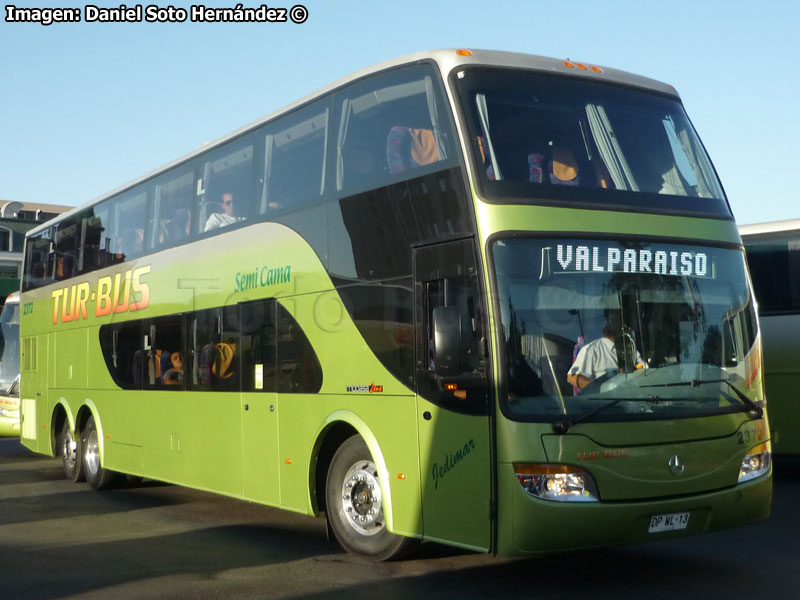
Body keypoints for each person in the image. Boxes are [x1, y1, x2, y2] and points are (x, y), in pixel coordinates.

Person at [567, 312, 642, 392]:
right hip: (605, 401)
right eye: (611, 320)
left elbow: (644, 369)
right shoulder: (592, 350)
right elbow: (572, 378)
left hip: (633, 396)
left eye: (620, 321)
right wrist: (601, 390)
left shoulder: (629, 347)